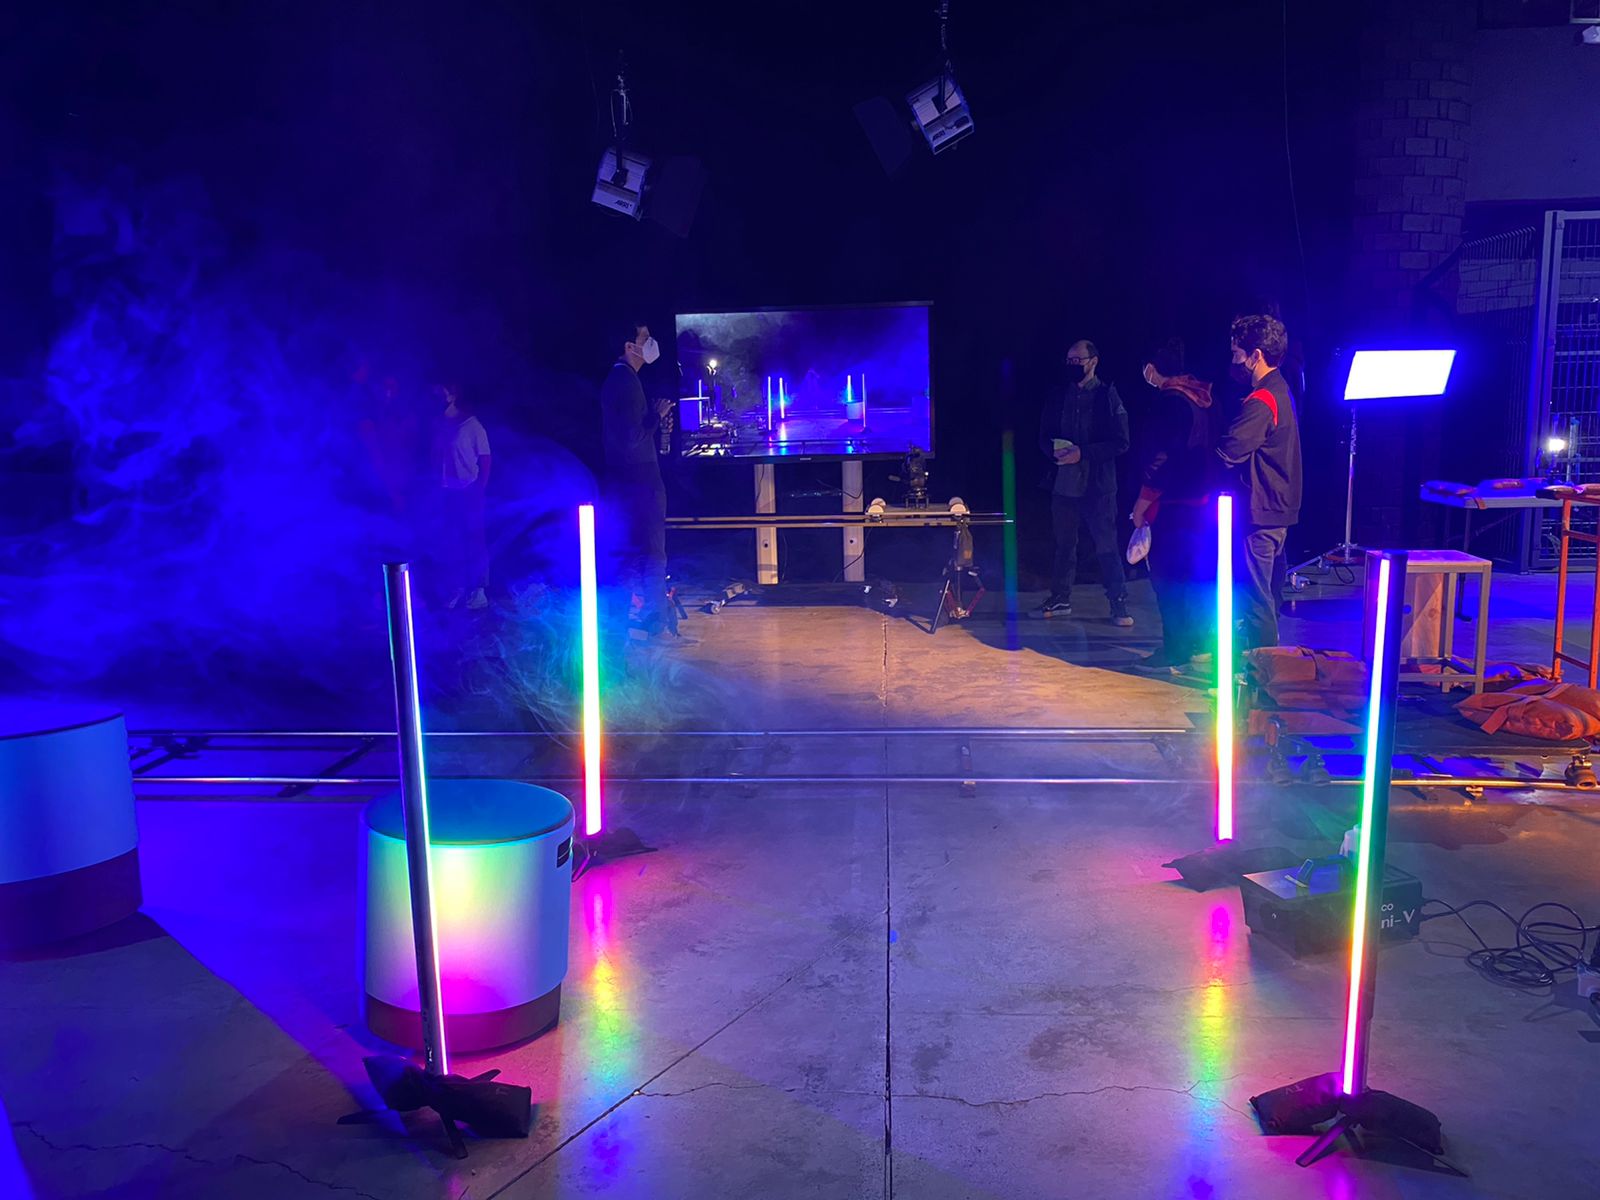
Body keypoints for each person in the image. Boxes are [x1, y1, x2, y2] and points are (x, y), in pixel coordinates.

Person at [1130, 339, 1217, 673]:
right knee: (1194, 577)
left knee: (1167, 579)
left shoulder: (1169, 402)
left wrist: (1143, 500)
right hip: (1202, 500)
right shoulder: (1201, 398)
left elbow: (1160, 458)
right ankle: (1199, 642)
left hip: (1173, 501)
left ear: (1152, 369)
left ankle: (1175, 648)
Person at [1033, 339, 1132, 625]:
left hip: (1098, 486)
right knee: (1064, 544)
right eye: (1069, 361)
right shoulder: (1058, 395)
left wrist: (1083, 453)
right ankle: (1060, 598)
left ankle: (1118, 602)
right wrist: (1052, 450)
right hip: (1064, 484)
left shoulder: (1106, 396)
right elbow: (1043, 435)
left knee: (1106, 545)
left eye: (1078, 360)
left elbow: (1121, 442)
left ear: (1093, 362)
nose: (1073, 365)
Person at [1217, 314, 1302, 649]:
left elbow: (1229, 450)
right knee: (1268, 593)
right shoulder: (1281, 389)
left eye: (1237, 353)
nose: (1234, 361)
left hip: (1262, 510)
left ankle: (1261, 667)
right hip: (1278, 508)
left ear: (1255, 355)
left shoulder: (1263, 399)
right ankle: (1265, 662)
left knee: (1256, 598)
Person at [599, 319, 676, 641]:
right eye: (645, 338)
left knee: (636, 551)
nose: (651, 342)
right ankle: (654, 617)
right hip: (640, 478)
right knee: (652, 552)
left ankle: (634, 617)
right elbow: (632, 437)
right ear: (630, 347)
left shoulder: (623, 378)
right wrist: (657, 416)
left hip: (630, 477)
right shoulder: (624, 380)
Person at [434, 381, 491, 610]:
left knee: (474, 540)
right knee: (452, 540)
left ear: (452, 395)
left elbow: (485, 459)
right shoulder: (441, 425)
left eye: (441, 393)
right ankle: (457, 586)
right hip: (448, 490)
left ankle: (479, 590)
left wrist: (478, 491)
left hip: (468, 490)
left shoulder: (472, 426)